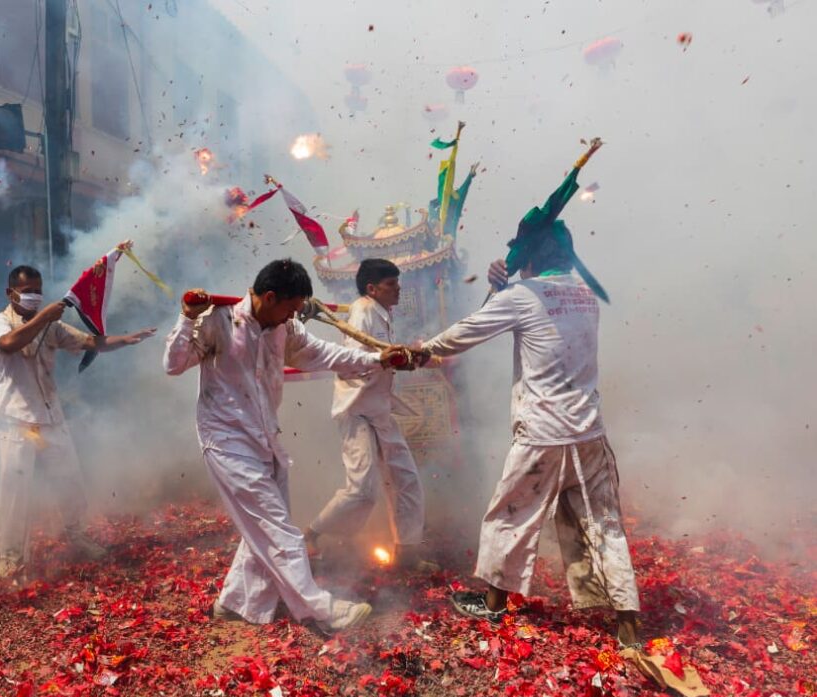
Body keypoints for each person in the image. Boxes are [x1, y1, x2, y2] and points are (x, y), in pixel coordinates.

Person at [163, 258, 412, 633]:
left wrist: (378, 359)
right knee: (279, 529)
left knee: (263, 525)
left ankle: (235, 603)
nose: (293, 318)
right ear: (269, 297)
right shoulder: (218, 319)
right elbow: (174, 363)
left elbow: (328, 355)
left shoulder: (284, 328)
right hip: (227, 440)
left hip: (265, 437)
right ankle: (319, 610)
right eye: (291, 309)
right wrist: (186, 318)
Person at [418, 228, 640, 647]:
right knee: (604, 523)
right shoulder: (584, 295)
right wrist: (503, 286)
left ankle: (494, 604)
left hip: (543, 432)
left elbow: (467, 332)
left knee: (510, 516)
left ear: (530, 257)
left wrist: (419, 352)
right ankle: (629, 622)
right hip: (589, 431)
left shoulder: (523, 295)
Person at [0, 263, 154, 578]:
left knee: (70, 481)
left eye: (38, 290)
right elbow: (8, 346)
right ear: (10, 293)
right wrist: (43, 316)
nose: (34, 296)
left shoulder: (52, 327)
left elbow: (90, 342)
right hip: (16, 420)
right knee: (14, 492)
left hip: (50, 416)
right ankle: (9, 556)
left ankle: (75, 535)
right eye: (27, 292)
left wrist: (126, 339)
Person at [304, 258, 432, 569]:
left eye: (397, 283)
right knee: (363, 489)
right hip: (356, 410)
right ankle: (311, 534)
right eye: (391, 284)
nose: (398, 289)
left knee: (407, 479)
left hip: (380, 410)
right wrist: (388, 359)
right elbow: (355, 358)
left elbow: (382, 356)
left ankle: (408, 552)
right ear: (372, 288)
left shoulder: (382, 312)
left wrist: (406, 357)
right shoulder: (362, 309)